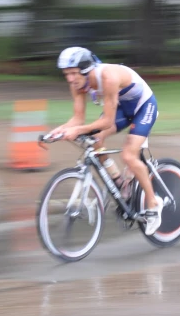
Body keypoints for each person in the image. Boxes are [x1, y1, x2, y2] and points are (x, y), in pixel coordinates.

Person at [52, 46, 163, 235]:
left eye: (73, 73)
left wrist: (77, 130)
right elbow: (77, 119)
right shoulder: (77, 84)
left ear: (86, 70)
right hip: (121, 107)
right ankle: (119, 182)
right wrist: (59, 130)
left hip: (143, 106)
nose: (70, 79)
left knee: (129, 155)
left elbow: (107, 122)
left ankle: (153, 204)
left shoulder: (108, 77)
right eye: (66, 74)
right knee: (94, 140)